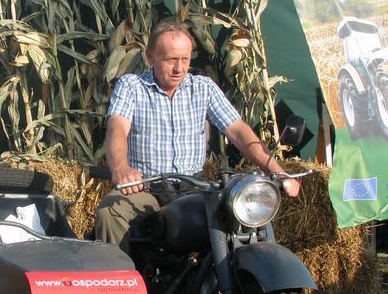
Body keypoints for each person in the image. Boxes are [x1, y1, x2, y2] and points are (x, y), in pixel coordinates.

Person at [95, 20, 300, 251]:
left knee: (237, 215)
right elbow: (117, 128)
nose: (179, 68)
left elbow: (239, 132)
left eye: (185, 59)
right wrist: (121, 169)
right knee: (110, 212)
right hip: (147, 188)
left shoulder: (203, 87)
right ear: (150, 57)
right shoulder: (131, 86)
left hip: (193, 187)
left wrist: (277, 171)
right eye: (171, 59)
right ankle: (124, 284)